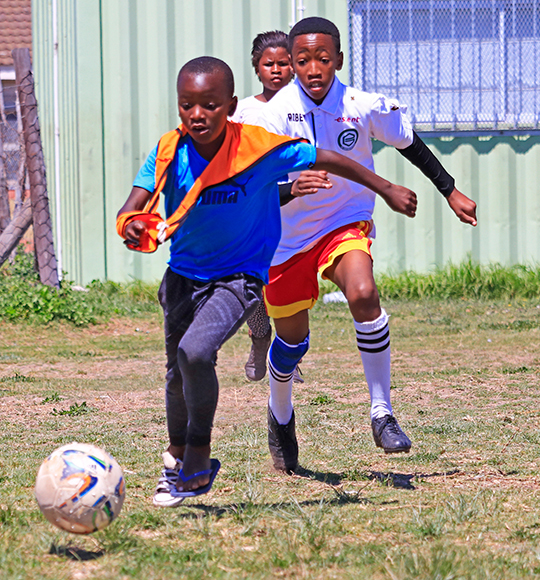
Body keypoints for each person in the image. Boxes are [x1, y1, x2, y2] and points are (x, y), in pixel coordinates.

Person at [116, 56, 417, 506]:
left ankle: (199, 454)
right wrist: (131, 223)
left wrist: (385, 188)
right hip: (182, 277)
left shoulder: (257, 148)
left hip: (238, 277)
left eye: (210, 105)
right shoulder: (168, 151)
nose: (197, 115)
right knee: (177, 372)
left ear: (231, 105)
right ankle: (177, 459)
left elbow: (329, 157)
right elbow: (135, 202)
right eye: (186, 105)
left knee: (194, 352)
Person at [254, 17, 478, 472]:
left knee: (362, 292)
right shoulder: (272, 115)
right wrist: (289, 190)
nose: (313, 68)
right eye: (302, 61)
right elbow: (251, 185)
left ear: (338, 58)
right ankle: (280, 415)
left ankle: (382, 414)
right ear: (292, 65)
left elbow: (409, 142)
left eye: (322, 58)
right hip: (285, 239)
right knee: (291, 342)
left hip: (344, 223)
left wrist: (449, 189)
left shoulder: (361, 105)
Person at [229, 30, 301, 383]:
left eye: (283, 63)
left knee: (290, 282)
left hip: (298, 209)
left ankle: (289, 351)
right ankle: (260, 339)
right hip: (255, 208)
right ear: (256, 68)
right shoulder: (244, 111)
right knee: (253, 282)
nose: (276, 70)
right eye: (268, 64)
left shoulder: (306, 107)